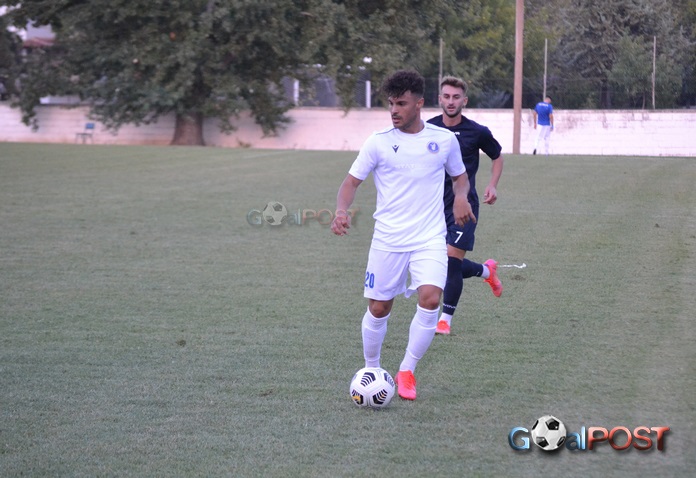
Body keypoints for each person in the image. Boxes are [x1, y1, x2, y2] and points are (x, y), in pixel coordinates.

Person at [331, 70, 475, 401]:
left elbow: (460, 177)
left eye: (401, 104)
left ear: (419, 103)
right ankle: (371, 369)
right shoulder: (378, 141)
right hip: (388, 239)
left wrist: (462, 197)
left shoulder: (443, 140)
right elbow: (350, 183)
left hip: (429, 236)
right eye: (391, 104)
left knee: (431, 298)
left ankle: (407, 370)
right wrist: (341, 211)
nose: (394, 111)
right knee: (380, 308)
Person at [428, 76, 504, 336]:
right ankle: (486, 271)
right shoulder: (429, 129)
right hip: (433, 207)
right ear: (439, 99)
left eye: (456, 97)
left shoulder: (477, 131)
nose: (451, 101)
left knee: (450, 262)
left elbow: (497, 156)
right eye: (447, 96)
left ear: (464, 100)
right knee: (440, 263)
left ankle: (445, 320)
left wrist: (492, 185)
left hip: (465, 208)